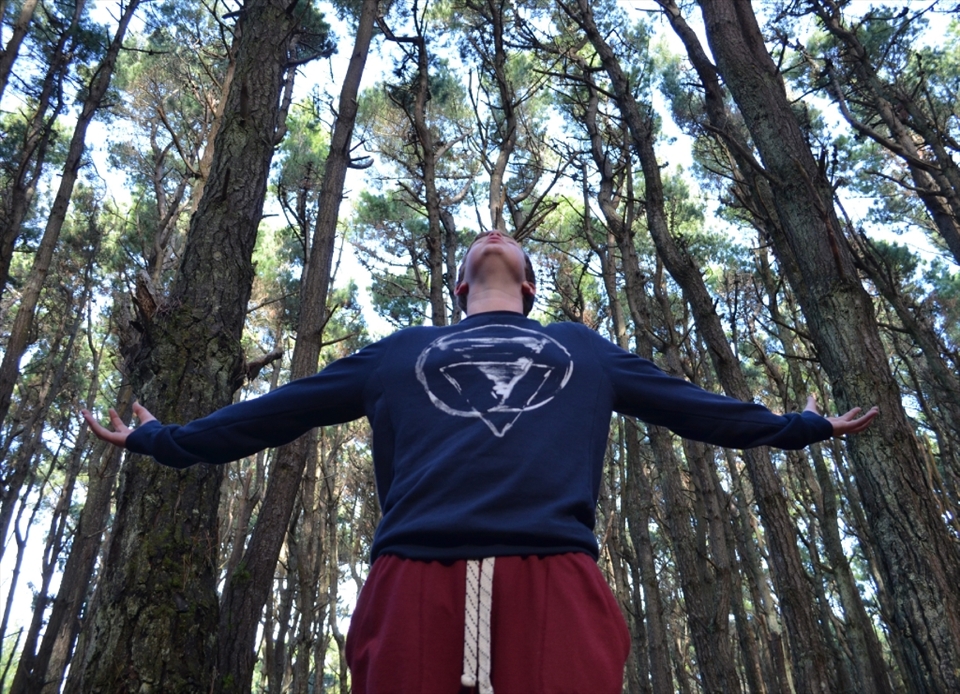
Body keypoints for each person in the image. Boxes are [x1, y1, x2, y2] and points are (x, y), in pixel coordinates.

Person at [83, 230, 878, 694]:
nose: (495, 232)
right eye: (480, 242)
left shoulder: (579, 348)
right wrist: (163, 438)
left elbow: (693, 405)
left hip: (556, 580)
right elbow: (279, 411)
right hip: (413, 583)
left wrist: (799, 426)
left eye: (512, 242)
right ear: (458, 280)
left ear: (528, 284)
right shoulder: (403, 352)